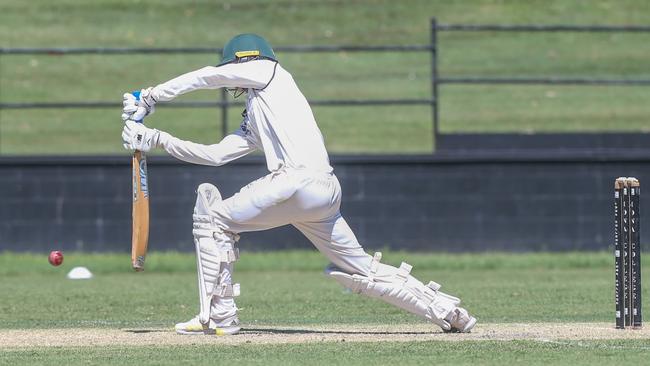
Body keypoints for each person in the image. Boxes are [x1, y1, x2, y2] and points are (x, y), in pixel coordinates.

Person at [121, 34, 476, 335]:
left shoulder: (269, 71)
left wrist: (148, 97)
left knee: (211, 218)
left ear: (244, 61)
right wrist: (155, 138)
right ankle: (445, 311)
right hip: (324, 192)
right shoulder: (260, 111)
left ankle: (220, 317)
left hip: (293, 182)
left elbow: (207, 77)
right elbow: (216, 155)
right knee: (361, 268)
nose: (230, 80)